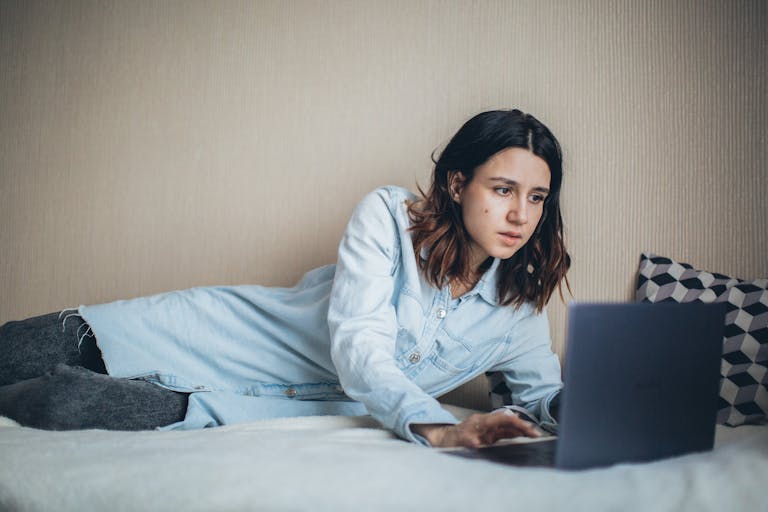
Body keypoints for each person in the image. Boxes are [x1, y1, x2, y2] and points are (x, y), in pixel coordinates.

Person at [0, 109, 570, 448]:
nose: (521, 214)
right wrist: (435, 426)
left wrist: (604, 404)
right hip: (207, 335)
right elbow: (361, 350)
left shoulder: (519, 309)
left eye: (537, 197)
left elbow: (542, 396)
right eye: (503, 190)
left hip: (210, 408)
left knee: (52, 408)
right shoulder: (390, 218)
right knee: (14, 351)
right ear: (455, 183)